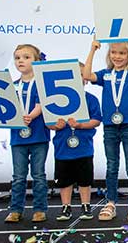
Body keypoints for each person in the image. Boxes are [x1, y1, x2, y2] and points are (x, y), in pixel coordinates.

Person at [83, 35, 128, 221]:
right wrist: (92, 49)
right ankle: (110, 202)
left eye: (122, 53)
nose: (117, 56)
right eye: (114, 52)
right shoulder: (105, 74)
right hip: (110, 126)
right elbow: (86, 75)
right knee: (112, 166)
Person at [0, 44, 50, 223]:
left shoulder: (41, 84)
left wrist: (31, 115)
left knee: (38, 175)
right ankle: (16, 210)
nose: (21, 61)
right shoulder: (11, 86)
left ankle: (39, 210)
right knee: (18, 176)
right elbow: (1, 108)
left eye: (26, 57)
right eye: (18, 58)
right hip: (18, 138)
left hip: (39, 136)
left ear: (37, 61)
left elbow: (41, 104)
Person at [50, 62, 103, 221]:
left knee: (84, 180)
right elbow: (49, 122)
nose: (76, 78)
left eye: (80, 74)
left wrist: (80, 125)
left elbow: (96, 120)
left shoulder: (91, 99)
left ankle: (86, 205)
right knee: (64, 181)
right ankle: (66, 207)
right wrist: (56, 125)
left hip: (84, 149)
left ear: (86, 78)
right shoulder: (55, 100)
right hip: (62, 150)